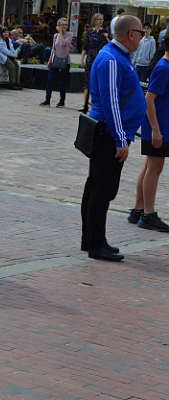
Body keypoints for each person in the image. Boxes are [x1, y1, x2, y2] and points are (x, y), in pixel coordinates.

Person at [80, 15, 146, 261]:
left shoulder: (117, 57)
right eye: (140, 32)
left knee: (97, 186)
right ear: (131, 34)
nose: (142, 37)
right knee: (102, 189)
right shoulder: (111, 59)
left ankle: (93, 240)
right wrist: (120, 139)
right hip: (108, 134)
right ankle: (95, 243)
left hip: (110, 133)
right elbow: (110, 104)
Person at [129, 35, 169, 232]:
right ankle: (149, 214)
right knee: (155, 167)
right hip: (158, 127)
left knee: (149, 166)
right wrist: (155, 129)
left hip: (160, 126)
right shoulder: (164, 68)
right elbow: (149, 99)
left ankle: (138, 209)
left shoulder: (164, 66)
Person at [79, 12, 109, 114]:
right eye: (99, 19)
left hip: (100, 58)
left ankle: (96, 103)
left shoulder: (104, 32)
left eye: (102, 19)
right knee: (87, 81)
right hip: (90, 58)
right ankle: (85, 103)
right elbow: (85, 46)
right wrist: (82, 59)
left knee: (98, 81)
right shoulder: (90, 32)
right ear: (94, 20)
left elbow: (111, 45)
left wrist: (106, 37)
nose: (101, 21)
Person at [40, 17, 73, 107]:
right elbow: (54, 49)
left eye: (66, 25)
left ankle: (62, 101)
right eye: (62, 25)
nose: (64, 27)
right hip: (55, 59)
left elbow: (63, 44)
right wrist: (49, 60)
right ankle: (47, 99)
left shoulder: (69, 35)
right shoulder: (55, 36)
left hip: (65, 61)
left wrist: (61, 34)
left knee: (62, 82)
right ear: (58, 26)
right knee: (50, 80)